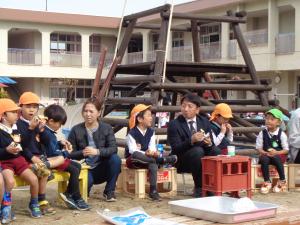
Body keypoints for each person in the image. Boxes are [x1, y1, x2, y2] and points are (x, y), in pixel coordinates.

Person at [17, 92, 63, 215]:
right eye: (28, 106)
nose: (32, 110)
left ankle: (41, 200)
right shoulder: (17, 124)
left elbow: (44, 142)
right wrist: (32, 157)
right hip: (24, 157)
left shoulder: (36, 122)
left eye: (35, 107)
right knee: (42, 171)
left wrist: (42, 130)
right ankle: (37, 202)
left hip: (37, 157)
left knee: (54, 162)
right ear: (20, 106)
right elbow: (21, 145)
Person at [68, 98, 121, 202]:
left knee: (115, 159)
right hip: (85, 169)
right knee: (84, 192)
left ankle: (109, 192)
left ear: (99, 113)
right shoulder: (76, 129)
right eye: (85, 111)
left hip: (102, 168)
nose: (88, 114)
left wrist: (97, 151)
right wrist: (83, 153)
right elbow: (70, 153)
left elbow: (113, 149)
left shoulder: (106, 128)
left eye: (91, 111)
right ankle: (84, 189)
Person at [167, 93, 219, 197]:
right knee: (197, 151)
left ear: (197, 110)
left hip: (201, 155)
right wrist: (191, 140)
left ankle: (211, 185)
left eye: (189, 106)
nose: (185, 109)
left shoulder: (204, 121)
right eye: (183, 106)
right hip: (182, 159)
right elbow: (176, 148)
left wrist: (209, 143)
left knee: (215, 150)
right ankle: (199, 187)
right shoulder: (174, 124)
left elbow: (210, 142)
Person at [40, 104, 90, 210]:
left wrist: (60, 143)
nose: (60, 126)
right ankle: (75, 196)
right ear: (51, 121)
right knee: (75, 169)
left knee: (77, 166)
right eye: (59, 123)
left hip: (53, 158)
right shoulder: (47, 134)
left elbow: (51, 147)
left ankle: (69, 193)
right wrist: (66, 152)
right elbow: (52, 152)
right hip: (52, 160)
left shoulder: (47, 131)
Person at [0, 98, 43, 222]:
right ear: (3, 115)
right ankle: (5, 208)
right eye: (13, 112)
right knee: (10, 181)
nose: (16, 114)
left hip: (18, 160)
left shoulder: (15, 127)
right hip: (5, 162)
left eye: (16, 111)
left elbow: (23, 144)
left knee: (34, 179)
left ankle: (34, 204)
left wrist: (31, 129)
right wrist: (6, 151)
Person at [125, 104, 177, 201]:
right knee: (137, 154)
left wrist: (154, 153)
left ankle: (153, 191)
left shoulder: (151, 132)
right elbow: (132, 150)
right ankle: (162, 160)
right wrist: (146, 153)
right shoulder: (131, 133)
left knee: (153, 164)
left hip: (148, 160)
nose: (151, 118)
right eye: (148, 115)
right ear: (140, 119)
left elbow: (152, 147)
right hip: (134, 161)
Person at [256, 108, 289, 194]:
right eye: (267, 118)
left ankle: (282, 180)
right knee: (264, 159)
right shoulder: (262, 133)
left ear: (278, 122)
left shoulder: (282, 134)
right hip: (266, 154)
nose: (268, 121)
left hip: (279, 155)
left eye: (272, 119)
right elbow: (259, 148)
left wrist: (276, 152)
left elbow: (286, 150)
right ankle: (267, 182)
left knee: (275, 156)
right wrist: (265, 153)